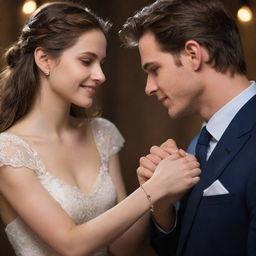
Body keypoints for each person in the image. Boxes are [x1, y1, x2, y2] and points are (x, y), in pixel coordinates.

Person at [0, 2, 201, 256]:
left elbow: (123, 247)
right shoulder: (8, 151)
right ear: (44, 59)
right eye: (87, 61)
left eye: (101, 63)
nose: (100, 75)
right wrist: (154, 189)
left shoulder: (101, 133)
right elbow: (70, 244)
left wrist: (150, 185)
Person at [120, 0, 256, 255]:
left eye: (154, 69)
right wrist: (162, 205)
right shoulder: (197, 145)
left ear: (193, 54)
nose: (149, 87)